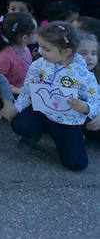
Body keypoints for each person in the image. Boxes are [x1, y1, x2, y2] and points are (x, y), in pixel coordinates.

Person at [12, 22, 100, 171]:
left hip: (68, 122)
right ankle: (36, 133)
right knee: (19, 124)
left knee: (76, 164)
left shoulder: (84, 75)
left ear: (66, 52)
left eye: (46, 49)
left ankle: (67, 139)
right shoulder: (38, 65)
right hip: (42, 112)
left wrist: (86, 108)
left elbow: (95, 101)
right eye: (40, 47)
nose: (40, 51)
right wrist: (17, 107)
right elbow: (28, 88)